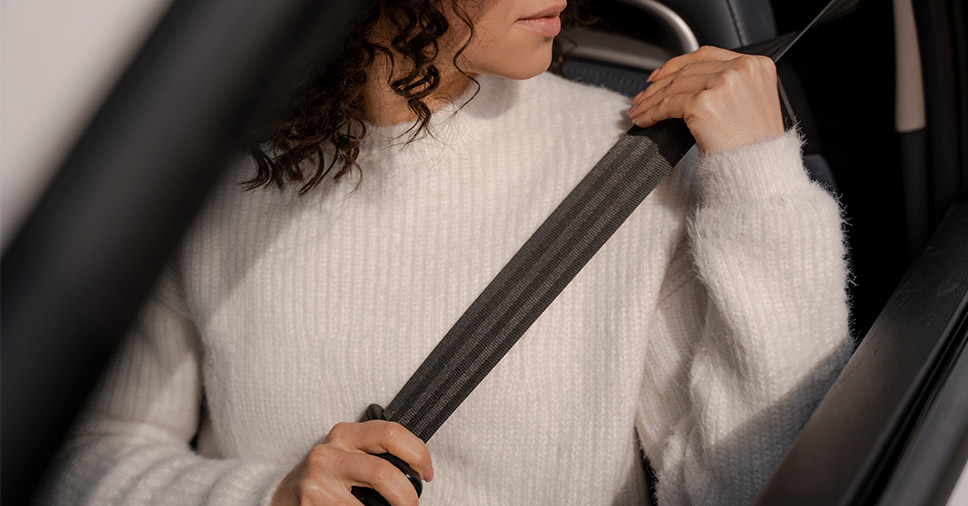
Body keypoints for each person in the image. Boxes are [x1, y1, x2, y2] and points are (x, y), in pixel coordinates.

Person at [42, 1, 852, 505]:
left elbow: (756, 486)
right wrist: (270, 498)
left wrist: (759, 180)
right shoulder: (202, 187)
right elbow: (84, 457)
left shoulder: (631, 167)